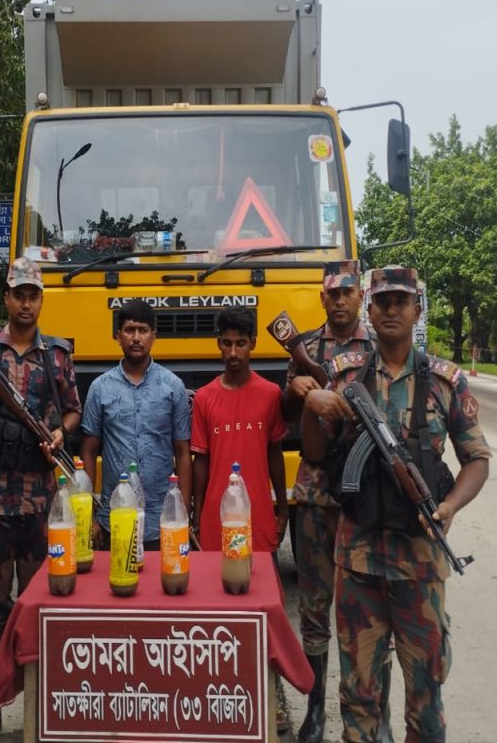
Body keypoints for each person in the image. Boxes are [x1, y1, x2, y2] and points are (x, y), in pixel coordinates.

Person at [299, 266, 490, 743]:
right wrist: (312, 404)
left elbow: (477, 460)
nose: (390, 310)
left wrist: (448, 507)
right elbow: (315, 455)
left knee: (426, 705)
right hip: (359, 562)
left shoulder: (447, 382)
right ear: (370, 308)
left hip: (420, 567)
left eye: (401, 302)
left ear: (416, 310)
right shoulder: (344, 378)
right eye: (382, 302)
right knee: (359, 701)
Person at [0, 257, 81, 743]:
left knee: (39, 608)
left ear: (40, 300)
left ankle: (40, 706)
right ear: (6, 298)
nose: (26, 303)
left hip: (40, 504)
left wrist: (58, 431)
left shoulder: (57, 356)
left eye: (33, 295)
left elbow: (72, 411)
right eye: (18, 294)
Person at [279, 260, 380, 743]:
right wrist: (300, 387)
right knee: (316, 606)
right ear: (321, 298)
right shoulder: (307, 348)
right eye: (331, 293)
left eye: (347, 292)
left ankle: (370, 715)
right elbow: (282, 414)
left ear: (359, 296)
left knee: (368, 610)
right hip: (317, 494)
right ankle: (315, 711)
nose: (339, 300)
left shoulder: (379, 344)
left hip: (367, 498)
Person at [190, 307, 292, 736]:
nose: (233, 352)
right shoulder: (205, 398)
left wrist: (281, 504)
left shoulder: (270, 395)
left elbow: (273, 454)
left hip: (258, 518)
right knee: (214, 610)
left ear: (253, 344)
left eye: (241, 343)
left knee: (265, 610)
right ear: (219, 345)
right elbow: (200, 460)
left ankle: (276, 701)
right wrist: (194, 511)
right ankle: (215, 697)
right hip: (215, 519)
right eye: (226, 343)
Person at [79, 298, 191, 550]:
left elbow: (183, 453)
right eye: (130, 330)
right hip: (114, 519)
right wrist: (88, 514)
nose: (136, 337)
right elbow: (88, 451)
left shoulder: (173, 387)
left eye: (143, 330)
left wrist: (182, 512)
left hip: (162, 521)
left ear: (154, 336)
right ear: (118, 336)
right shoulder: (100, 388)